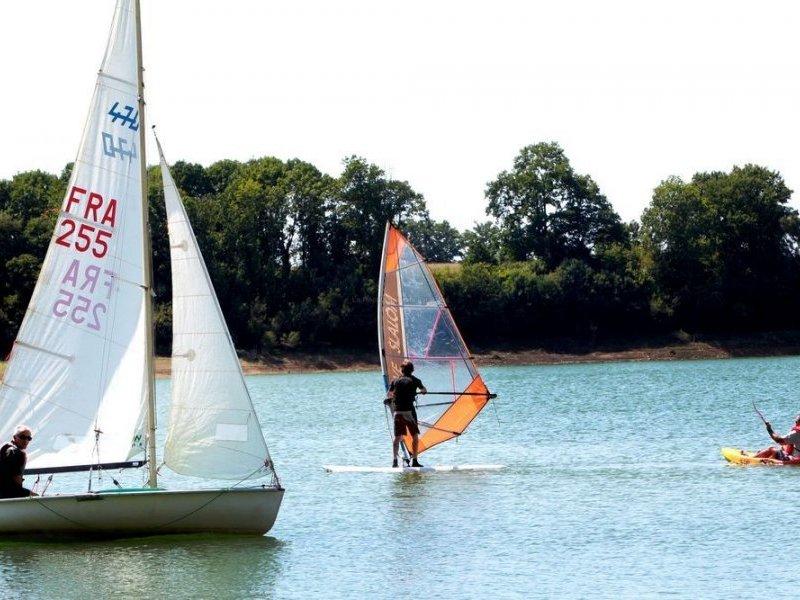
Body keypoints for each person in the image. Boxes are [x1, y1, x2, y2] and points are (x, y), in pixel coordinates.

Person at [385, 360, 427, 468]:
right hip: (409, 412)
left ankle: (394, 461)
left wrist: (394, 397)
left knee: (397, 437)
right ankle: (415, 461)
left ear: (401, 369)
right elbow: (424, 390)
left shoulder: (395, 380)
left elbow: (389, 394)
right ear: (412, 370)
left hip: (398, 412)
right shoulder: (416, 380)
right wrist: (421, 391)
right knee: (415, 436)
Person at [0, 425, 38, 498]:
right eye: (23, 437)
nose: (26, 441)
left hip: (3, 493)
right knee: (37, 496)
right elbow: (17, 487)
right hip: (7, 495)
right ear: (15, 437)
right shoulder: (20, 454)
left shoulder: (4, 447)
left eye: (29, 438)